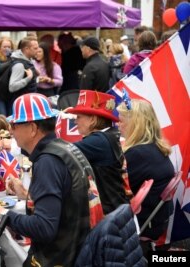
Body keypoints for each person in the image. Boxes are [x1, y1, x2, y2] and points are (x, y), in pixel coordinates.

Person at [0, 93, 91, 266]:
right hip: (78, 251)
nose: (10, 131)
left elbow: (44, 228)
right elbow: (65, 202)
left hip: (59, 258)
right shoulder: (65, 148)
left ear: (32, 128)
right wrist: (27, 195)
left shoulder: (48, 162)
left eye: (14, 125)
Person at [117, 99, 174, 250]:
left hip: (142, 224)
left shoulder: (138, 154)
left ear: (135, 124)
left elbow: (116, 189)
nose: (117, 124)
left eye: (121, 120)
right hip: (155, 220)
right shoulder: (155, 148)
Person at [66, 90, 129, 214]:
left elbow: (61, 152)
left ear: (93, 119)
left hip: (110, 218)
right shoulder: (110, 134)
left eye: (79, 117)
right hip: (119, 210)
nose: (75, 121)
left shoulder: (99, 141)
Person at [7, 36, 39, 113]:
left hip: (27, 103)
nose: (37, 51)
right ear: (26, 49)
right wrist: (28, 78)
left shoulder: (29, 61)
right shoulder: (19, 65)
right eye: (35, 48)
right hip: (20, 106)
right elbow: (12, 87)